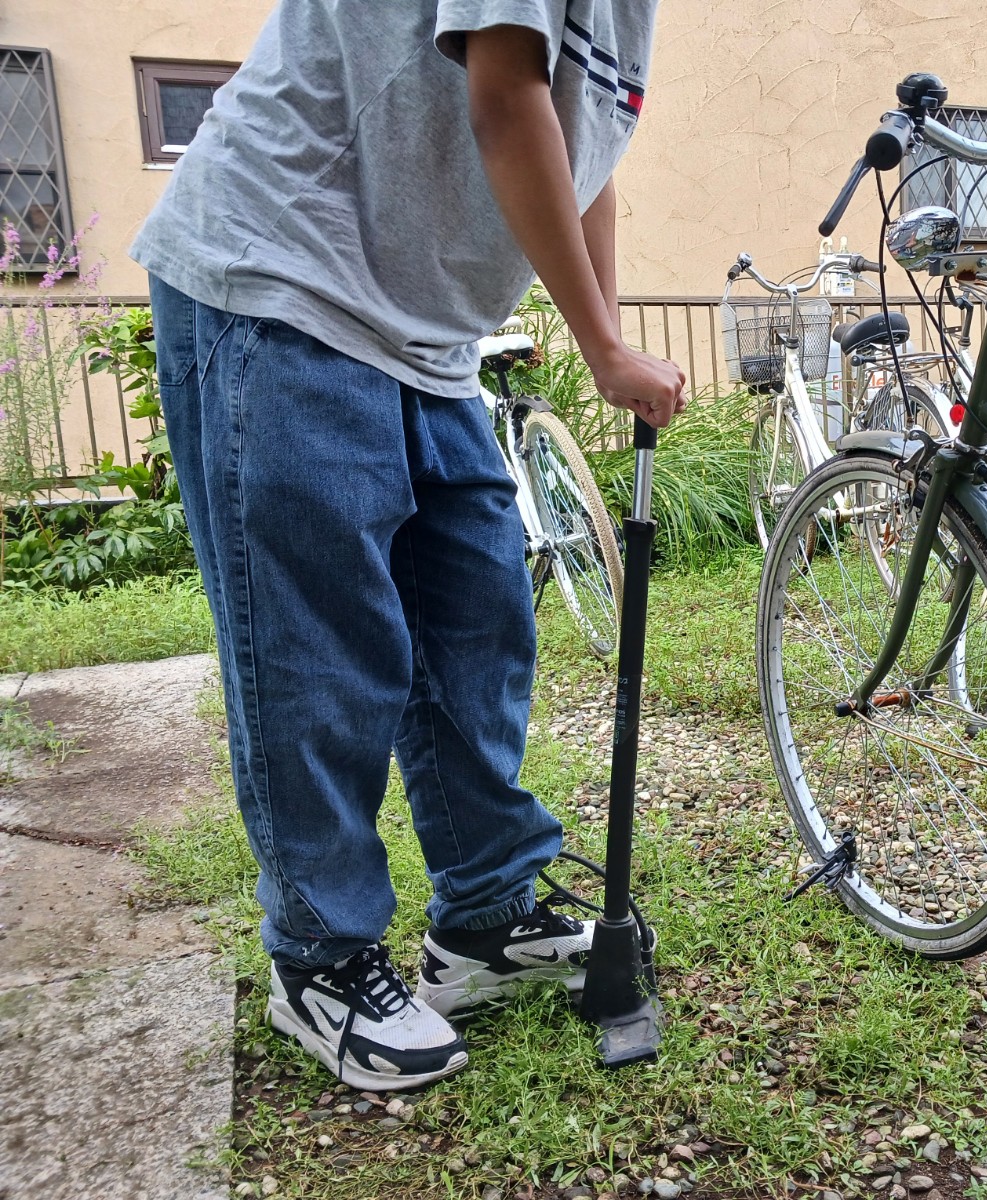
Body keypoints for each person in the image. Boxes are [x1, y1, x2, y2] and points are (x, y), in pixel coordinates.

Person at [131, 0, 684, 1092]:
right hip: (283, 272)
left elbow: (579, 155)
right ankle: (321, 957)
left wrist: (607, 332)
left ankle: (482, 916)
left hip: (424, 331)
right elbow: (503, 91)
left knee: (478, 625)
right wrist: (605, 346)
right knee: (320, 653)